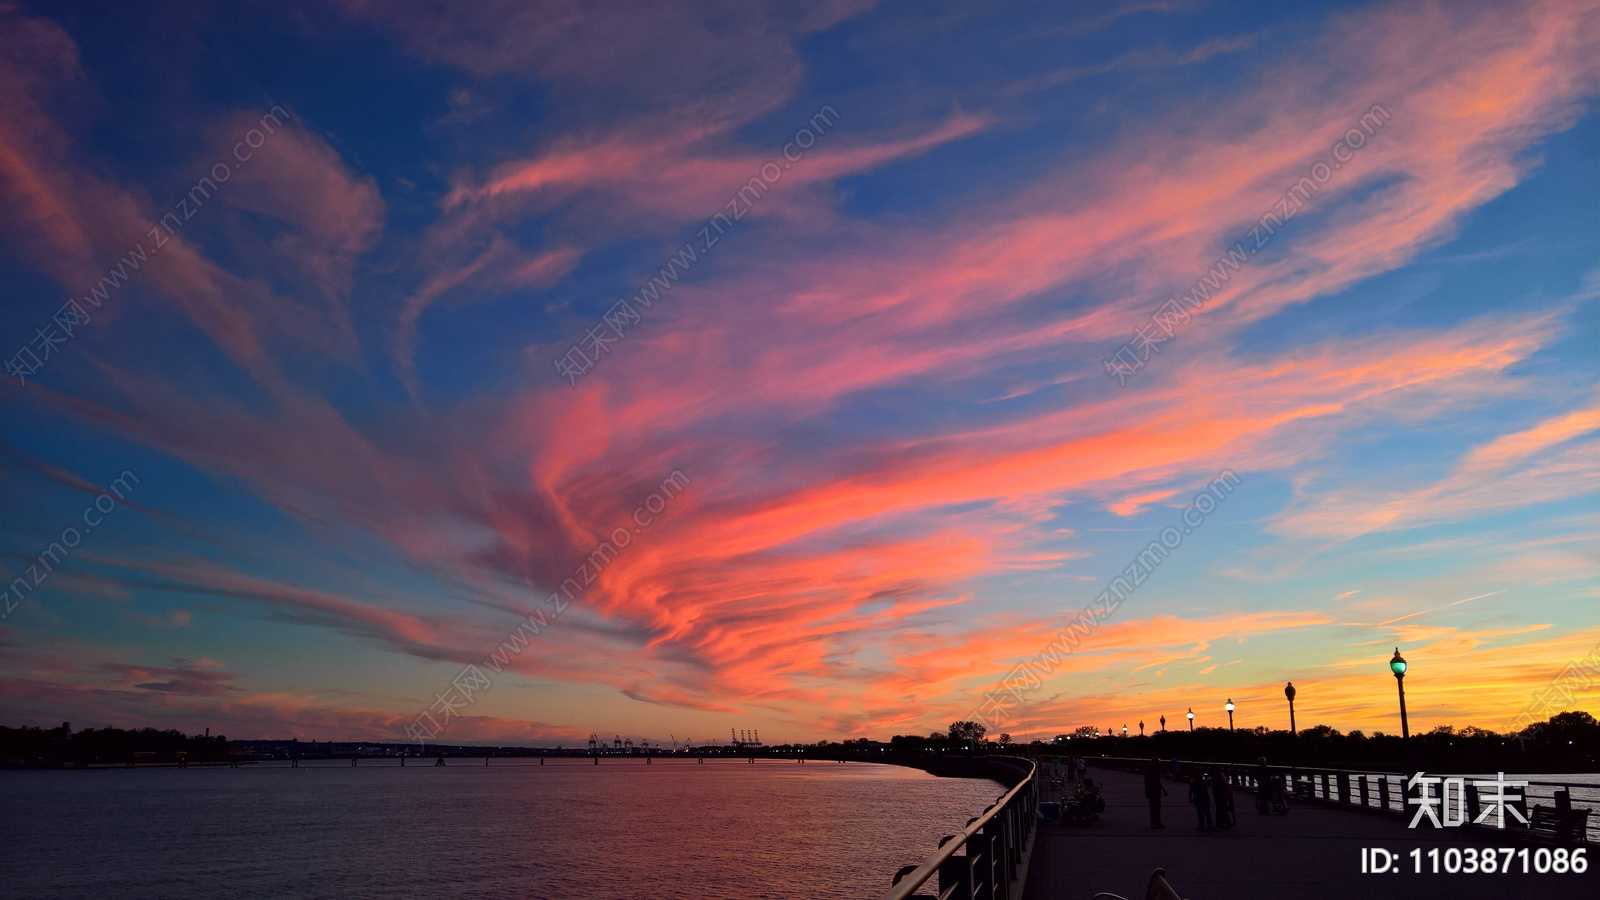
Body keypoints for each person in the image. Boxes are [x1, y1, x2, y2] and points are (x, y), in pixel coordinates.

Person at [1144, 758, 1168, 828]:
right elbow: (1156, 782)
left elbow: (1147, 782)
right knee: (1156, 807)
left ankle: (1154, 822)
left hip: (1153, 791)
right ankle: (1156, 822)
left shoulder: (1149, 771)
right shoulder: (1153, 771)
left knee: (1154, 807)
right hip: (1155, 791)